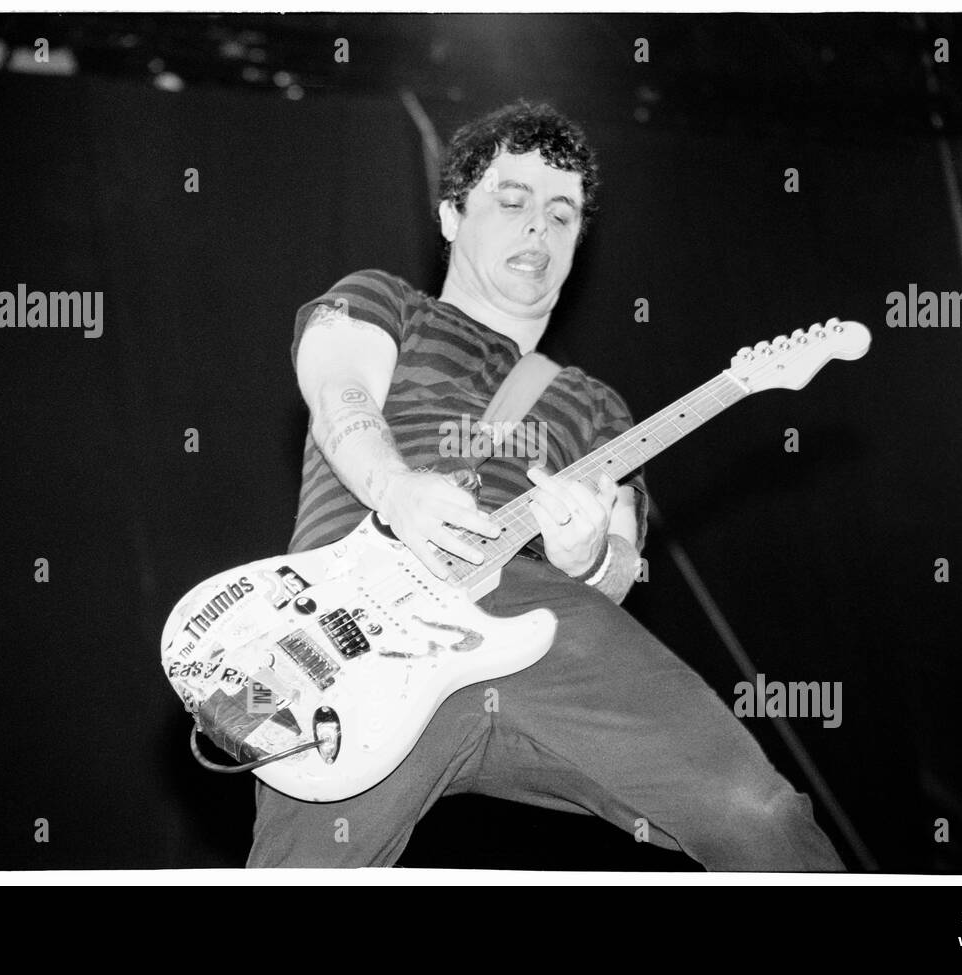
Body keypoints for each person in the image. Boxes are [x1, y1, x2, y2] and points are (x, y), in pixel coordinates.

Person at [248, 100, 845, 870]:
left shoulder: (596, 405)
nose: (540, 227)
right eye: (513, 200)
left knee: (759, 816)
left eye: (563, 214)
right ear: (450, 216)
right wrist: (396, 489)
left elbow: (622, 564)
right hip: (347, 629)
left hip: (535, 623)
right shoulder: (384, 301)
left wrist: (590, 556)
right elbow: (338, 396)